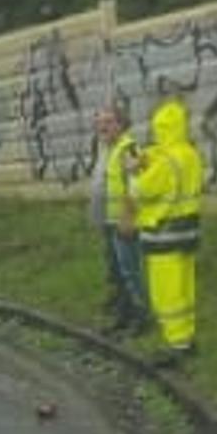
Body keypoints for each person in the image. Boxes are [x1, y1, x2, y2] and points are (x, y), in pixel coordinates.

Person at [126, 98, 203, 364]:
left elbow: (142, 190)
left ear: (161, 128)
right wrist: (149, 158)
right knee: (185, 289)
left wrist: (134, 171)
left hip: (163, 237)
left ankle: (176, 345)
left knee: (167, 295)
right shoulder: (190, 153)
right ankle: (188, 338)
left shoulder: (165, 160)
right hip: (187, 233)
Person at [90, 103, 148, 336]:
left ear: (121, 124)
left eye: (108, 122)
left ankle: (141, 318)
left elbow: (137, 186)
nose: (102, 127)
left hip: (125, 223)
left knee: (130, 272)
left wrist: (128, 218)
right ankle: (123, 316)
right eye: (99, 122)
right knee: (117, 273)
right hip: (109, 221)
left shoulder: (129, 148)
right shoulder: (106, 148)